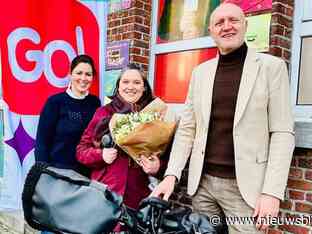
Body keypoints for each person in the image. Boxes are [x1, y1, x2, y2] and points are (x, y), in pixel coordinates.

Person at [151, 2, 295, 233]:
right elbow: (188, 128)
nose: (227, 26)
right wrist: (171, 175)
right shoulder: (200, 73)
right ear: (211, 31)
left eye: (233, 20)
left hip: (246, 190)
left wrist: (272, 192)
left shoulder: (272, 68)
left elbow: (282, 132)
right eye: (219, 22)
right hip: (202, 186)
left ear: (245, 25)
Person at [76, 63, 171, 212]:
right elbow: (81, 151)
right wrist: (101, 155)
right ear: (118, 86)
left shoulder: (156, 116)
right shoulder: (104, 113)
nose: (130, 87)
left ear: (144, 87)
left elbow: (168, 156)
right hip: (105, 195)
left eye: (137, 82)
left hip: (139, 198)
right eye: (125, 82)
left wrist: (158, 166)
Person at [35, 54, 101, 177]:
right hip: (58, 173)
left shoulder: (95, 103)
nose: (83, 78)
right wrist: (42, 173)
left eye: (88, 74)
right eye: (79, 73)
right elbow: (42, 142)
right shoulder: (55, 102)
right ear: (70, 74)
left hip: (87, 174)